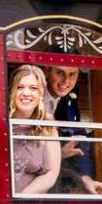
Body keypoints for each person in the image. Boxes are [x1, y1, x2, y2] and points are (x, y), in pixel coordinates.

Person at [42, 64, 102, 195]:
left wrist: (85, 177)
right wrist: (59, 154)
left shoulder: (68, 99)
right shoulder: (33, 98)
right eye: (60, 73)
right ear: (47, 71)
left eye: (72, 75)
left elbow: (77, 137)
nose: (66, 81)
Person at [8, 64, 62, 194]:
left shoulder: (47, 124)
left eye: (33, 88)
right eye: (20, 87)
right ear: (11, 91)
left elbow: (51, 174)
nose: (26, 93)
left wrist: (18, 201)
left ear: (41, 94)